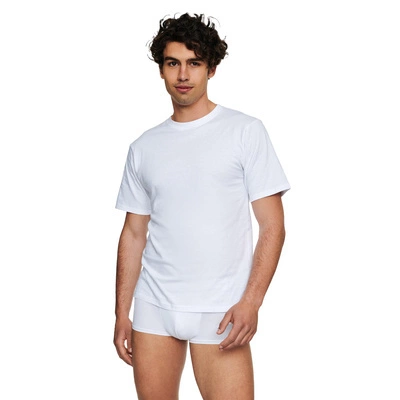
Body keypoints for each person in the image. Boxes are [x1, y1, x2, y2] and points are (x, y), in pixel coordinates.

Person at [113, 12, 290, 400]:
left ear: (211, 68)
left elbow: (272, 226)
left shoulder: (245, 131)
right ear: (161, 69)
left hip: (222, 310)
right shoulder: (144, 147)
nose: (183, 74)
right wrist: (122, 312)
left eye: (194, 63)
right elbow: (133, 233)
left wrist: (251, 302)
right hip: (153, 308)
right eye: (172, 63)